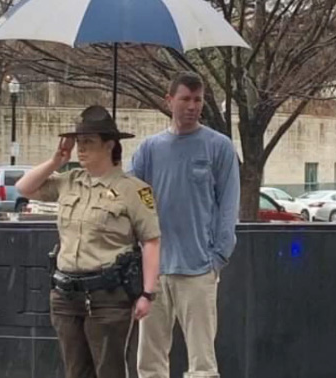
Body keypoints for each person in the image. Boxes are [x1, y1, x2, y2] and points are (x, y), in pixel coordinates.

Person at [16, 105, 161, 378]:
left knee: (109, 371)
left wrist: (147, 293)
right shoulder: (69, 181)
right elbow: (24, 188)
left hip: (108, 295)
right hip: (67, 293)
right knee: (76, 371)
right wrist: (56, 161)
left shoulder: (134, 190)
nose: (81, 149)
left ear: (109, 145)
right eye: (79, 142)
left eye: (89, 142)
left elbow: (151, 241)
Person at [131, 72, 240, 378]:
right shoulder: (149, 150)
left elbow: (228, 207)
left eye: (198, 99)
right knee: (150, 363)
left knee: (203, 364)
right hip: (155, 272)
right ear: (169, 101)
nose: (192, 106)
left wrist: (217, 258)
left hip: (199, 270)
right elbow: (127, 196)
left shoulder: (219, 147)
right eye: (185, 99)